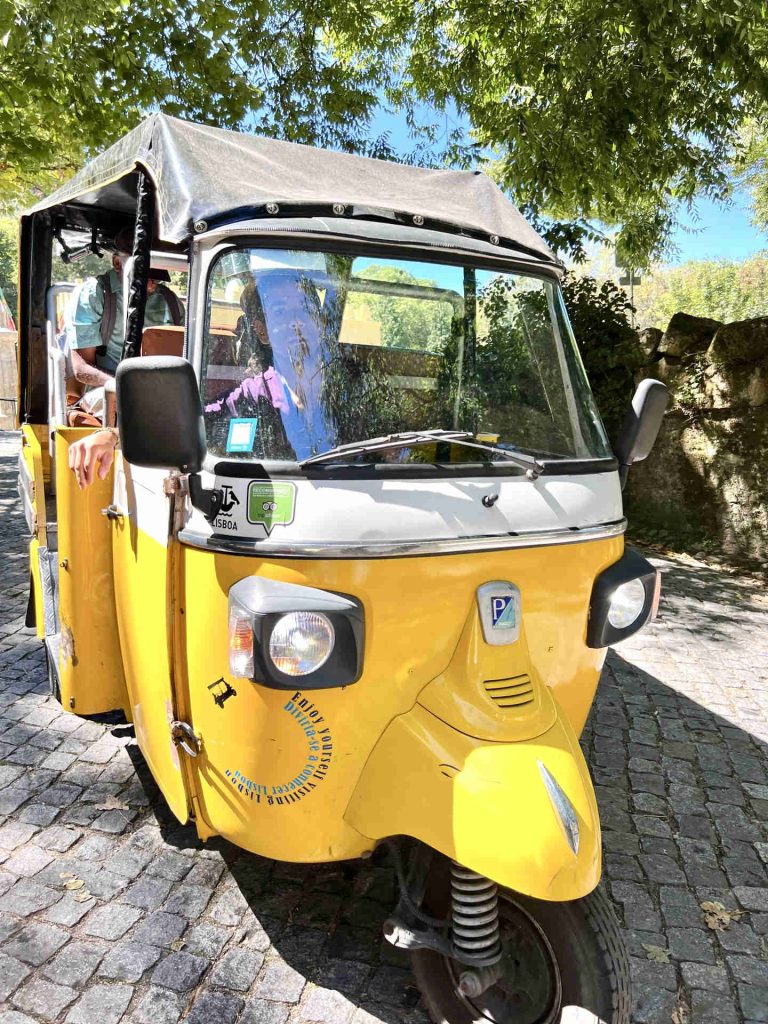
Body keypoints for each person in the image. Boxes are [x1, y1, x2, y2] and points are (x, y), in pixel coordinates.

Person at [67, 228, 183, 422]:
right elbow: (81, 368)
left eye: (156, 277)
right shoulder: (94, 295)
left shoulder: (170, 302)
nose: (151, 285)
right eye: (143, 276)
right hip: (106, 390)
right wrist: (122, 385)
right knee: (139, 404)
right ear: (117, 263)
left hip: (161, 390)